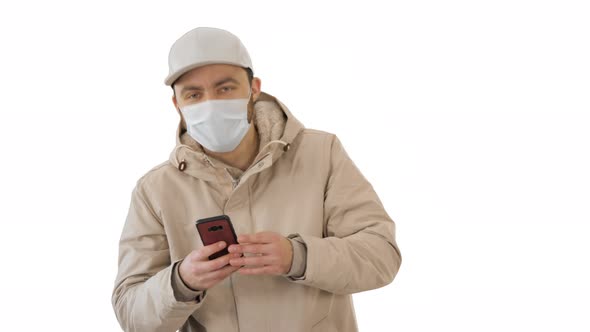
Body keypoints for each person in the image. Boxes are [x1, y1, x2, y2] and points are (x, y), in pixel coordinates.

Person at [111, 26, 402, 332]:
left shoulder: (321, 154)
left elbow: (381, 255)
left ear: (253, 88)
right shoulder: (155, 190)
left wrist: (299, 257)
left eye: (225, 88)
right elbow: (130, 313)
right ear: (177, 105)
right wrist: (181, 281)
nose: (210, 103)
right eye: (194, 94)